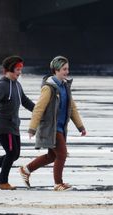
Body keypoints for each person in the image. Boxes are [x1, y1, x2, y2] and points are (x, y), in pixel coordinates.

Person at [19, 56, 86, 191]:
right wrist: (32, 128)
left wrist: (80, 126)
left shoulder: (65, 86)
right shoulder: (49, 88)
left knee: (52, 156)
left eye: (67, 69)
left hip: (60, 127)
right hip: (51, 128)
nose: (67, 72)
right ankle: (58, 183)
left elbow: (72, 108)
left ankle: (26, 170)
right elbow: (39, 108)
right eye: (64, 69)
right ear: (56, 70)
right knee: (61, 154)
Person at [0, 55, 35, 190]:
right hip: (3, 125)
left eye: (20, 69)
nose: (20, 72)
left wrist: (39, 111)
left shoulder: (17, 85)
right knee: (11, 153)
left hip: (14, 125)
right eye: (17, 69)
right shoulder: (3, 85)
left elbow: (25, 101)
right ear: (10, 69)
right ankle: (2, 182)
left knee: (15, 154)